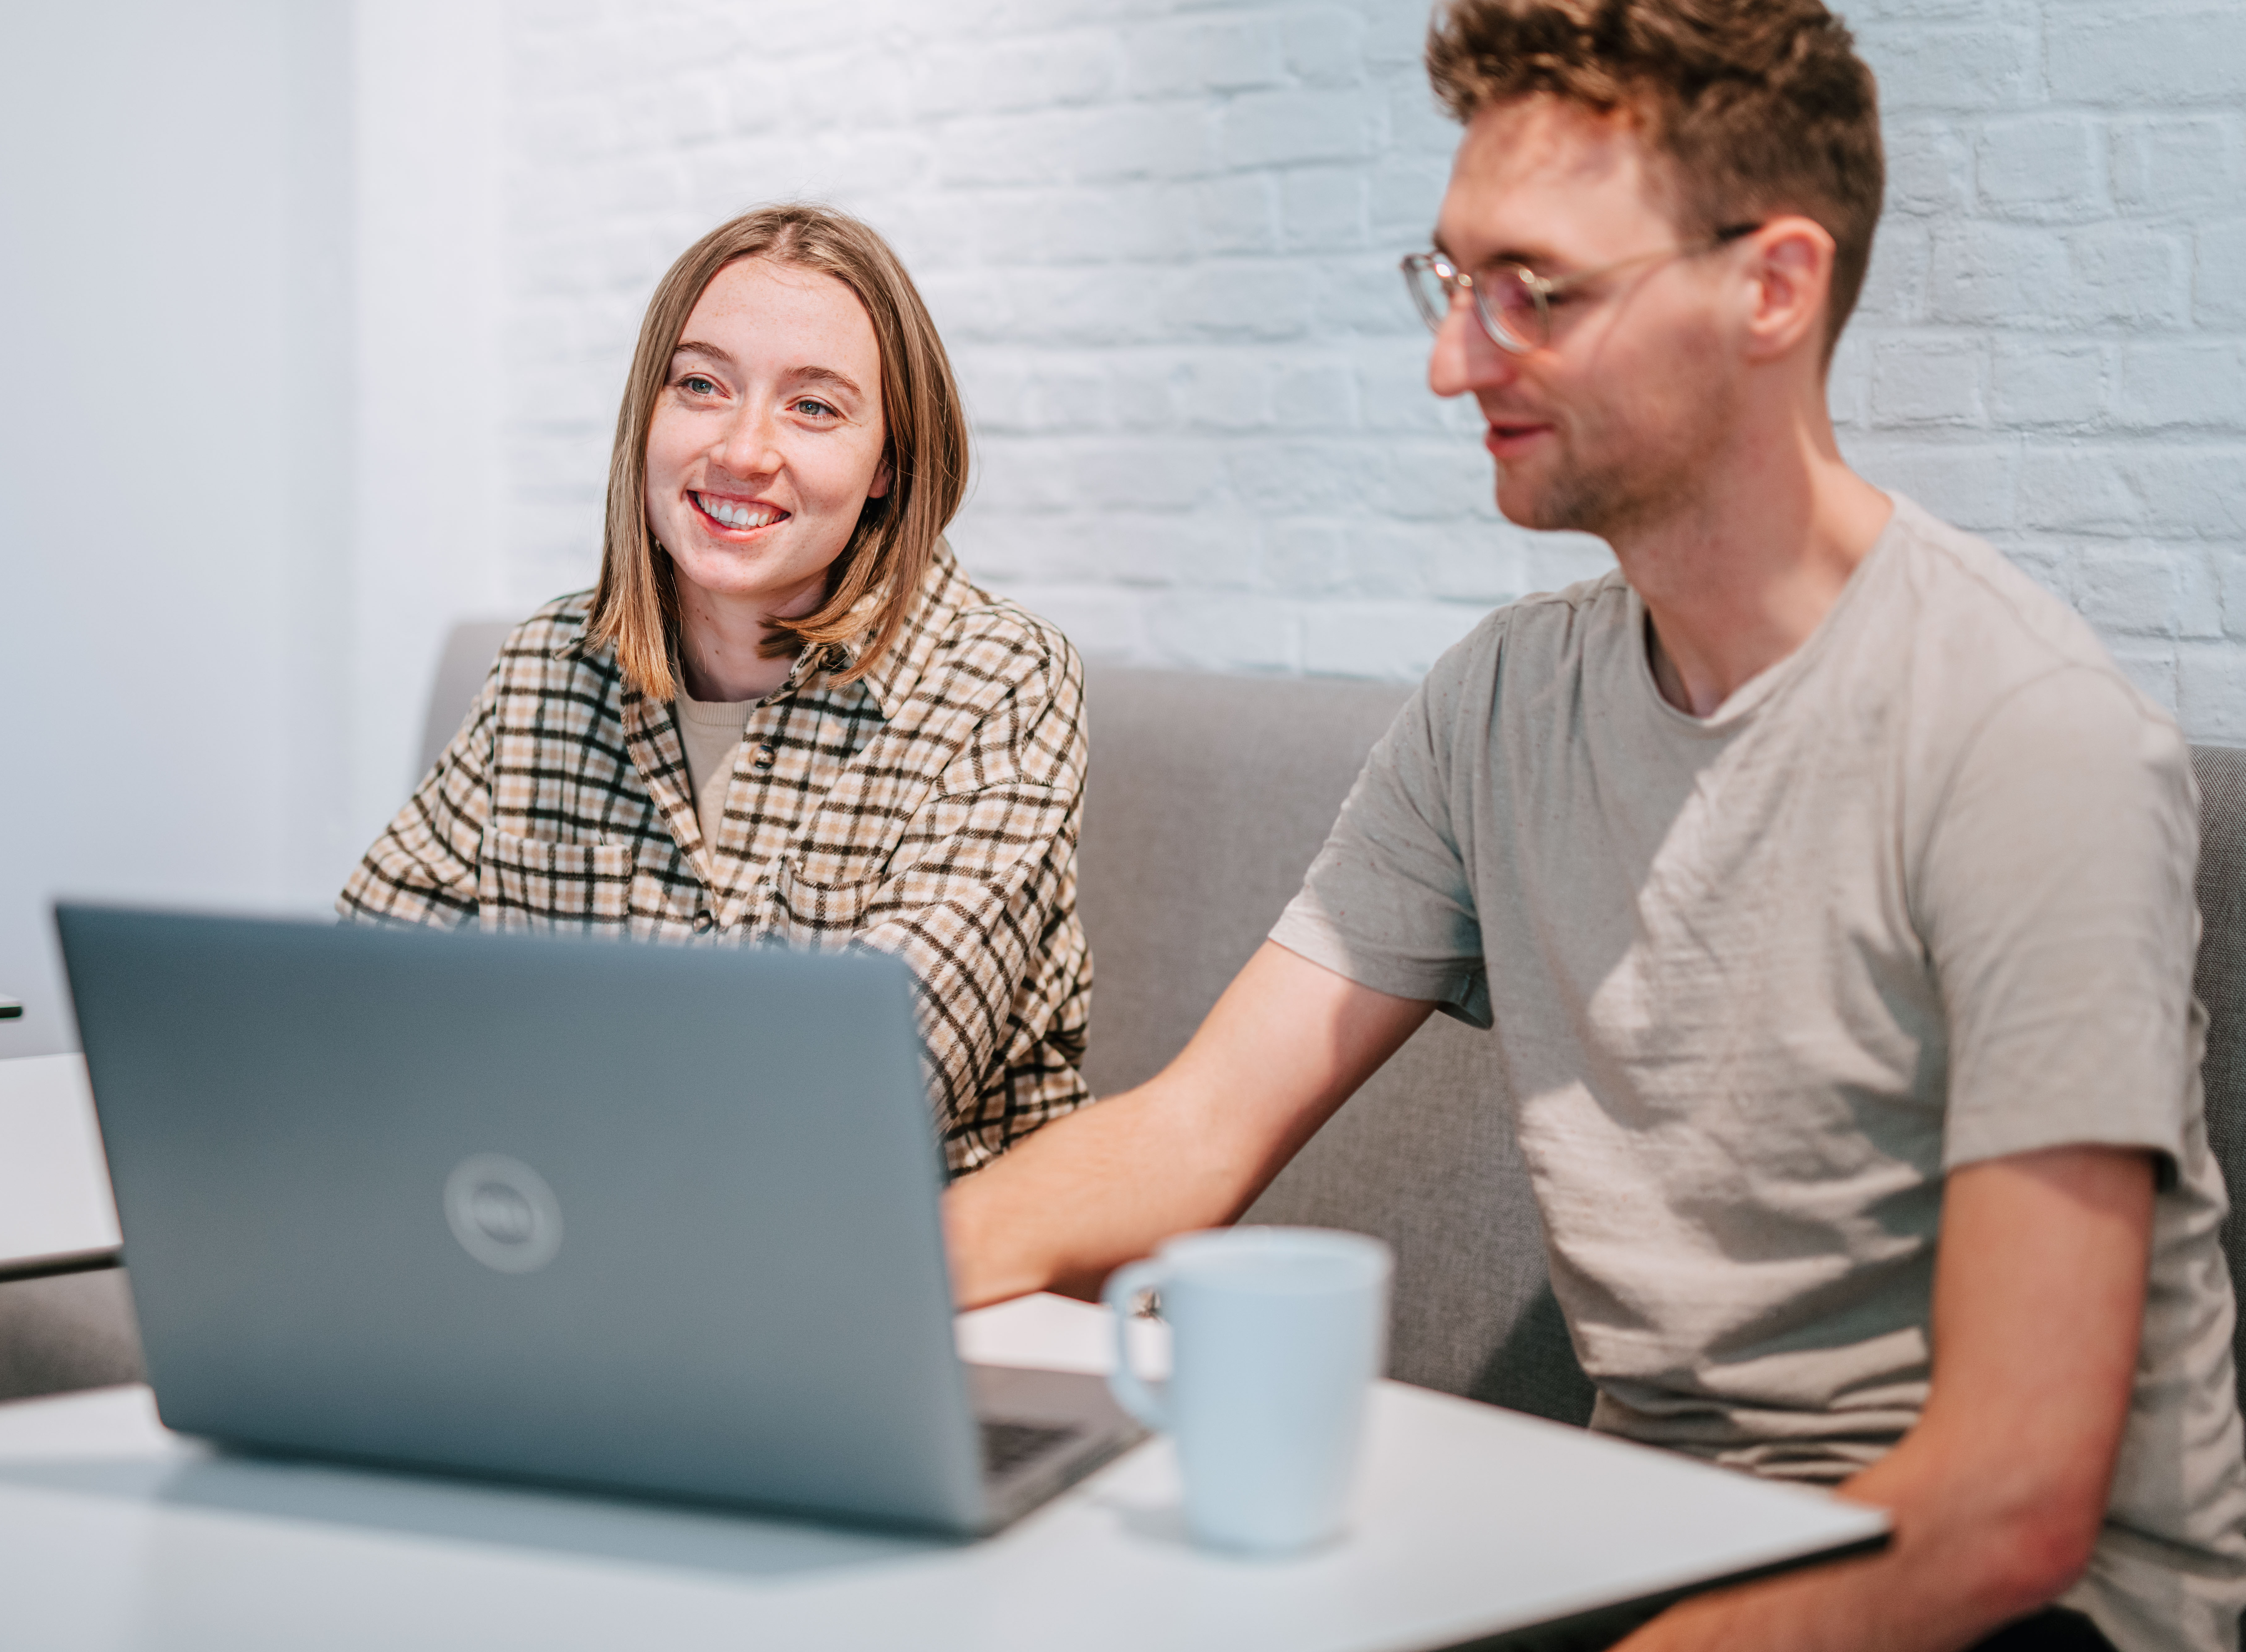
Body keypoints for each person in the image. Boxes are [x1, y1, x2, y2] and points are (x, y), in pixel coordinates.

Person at [944, 2, 2246, 1648]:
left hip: (2029, 1609)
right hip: (1644, 1538)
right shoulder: (1498, 703)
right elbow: (1192, 1133)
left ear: (1769, 286)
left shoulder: (2023, 743)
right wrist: (827, 1310)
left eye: (1534, 293)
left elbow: (2007, 1503)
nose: (1452, 358)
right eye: (1451, 282)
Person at [341, 205, 1091, 1175]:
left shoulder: (1002, 685)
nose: (742, 450)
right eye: (700, 385)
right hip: (562, 1238)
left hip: (900, 1277)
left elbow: (858, 1092)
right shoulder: (545, 667)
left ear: (888, 467)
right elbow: (366, 1001)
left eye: (813, 406)